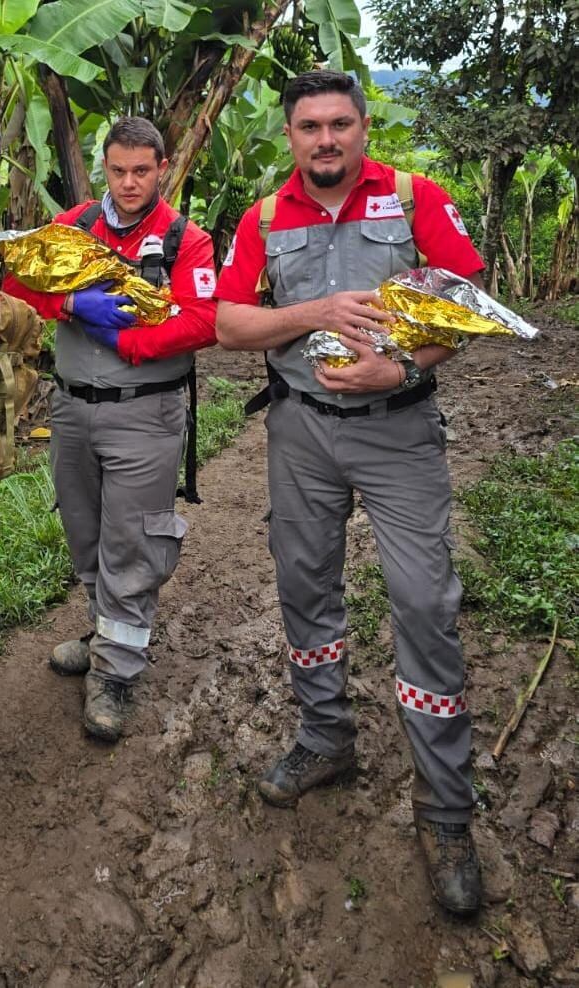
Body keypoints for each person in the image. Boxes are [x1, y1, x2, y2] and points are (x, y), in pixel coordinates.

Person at [214, 70, 485, 916]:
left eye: (339, 125)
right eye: (308, 127)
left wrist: (399, 364)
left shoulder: (414, 198)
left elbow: (468, 303)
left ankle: (445, 809)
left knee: (422, 603)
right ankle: (325, 737)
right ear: (289, 135)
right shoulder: (265, 218)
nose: (324, 140)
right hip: (301, 431)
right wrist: (314, 309)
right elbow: (227, 324)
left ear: (363, 128)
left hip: (399, 431)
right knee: (304, 588)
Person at [3, 116, 218, 742]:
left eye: (141, 172)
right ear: (104, 166)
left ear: (162, 167)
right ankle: (105, 631)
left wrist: (126, 339)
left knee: (132, 539)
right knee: (85, 530)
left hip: (144, 409)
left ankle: (117, 670)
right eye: (118, 170)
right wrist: (71, 304)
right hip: (71, 407)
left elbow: (204, 321)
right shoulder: (74, 225)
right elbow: (17, 283)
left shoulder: (185, 239)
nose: (129, 183)